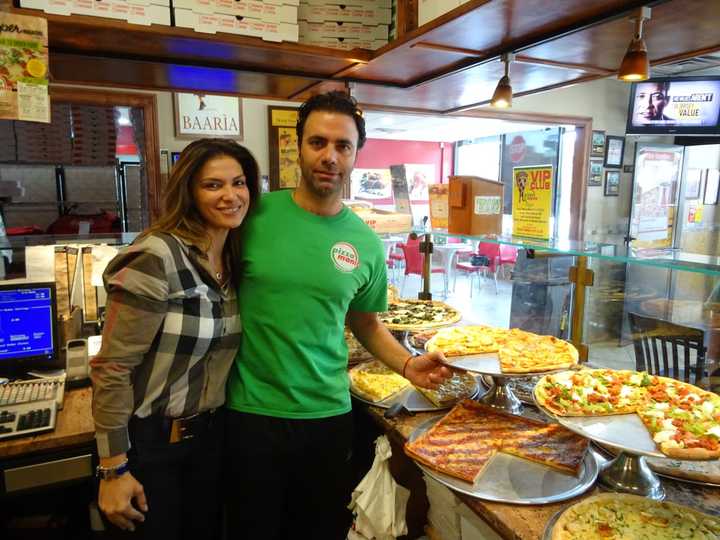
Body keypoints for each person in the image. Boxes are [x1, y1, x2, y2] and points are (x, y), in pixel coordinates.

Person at [224, 91, 452, 539]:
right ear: (299, 147)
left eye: (342, 146)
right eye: (318, 143)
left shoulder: (365, 244)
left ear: (355, 154)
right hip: (251, 414)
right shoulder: (252, 215)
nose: (329, 156)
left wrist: (407, 364)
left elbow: (365, 322)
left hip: (328, 416)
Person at [90, 138, 259, 539]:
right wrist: (113, 467)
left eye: (239, 182)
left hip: (211, 442)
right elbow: (112, 368)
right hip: (150, 448)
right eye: (212, 185)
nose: (230, 195)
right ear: (189, 191)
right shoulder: (157, 256)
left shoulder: (232, 257)